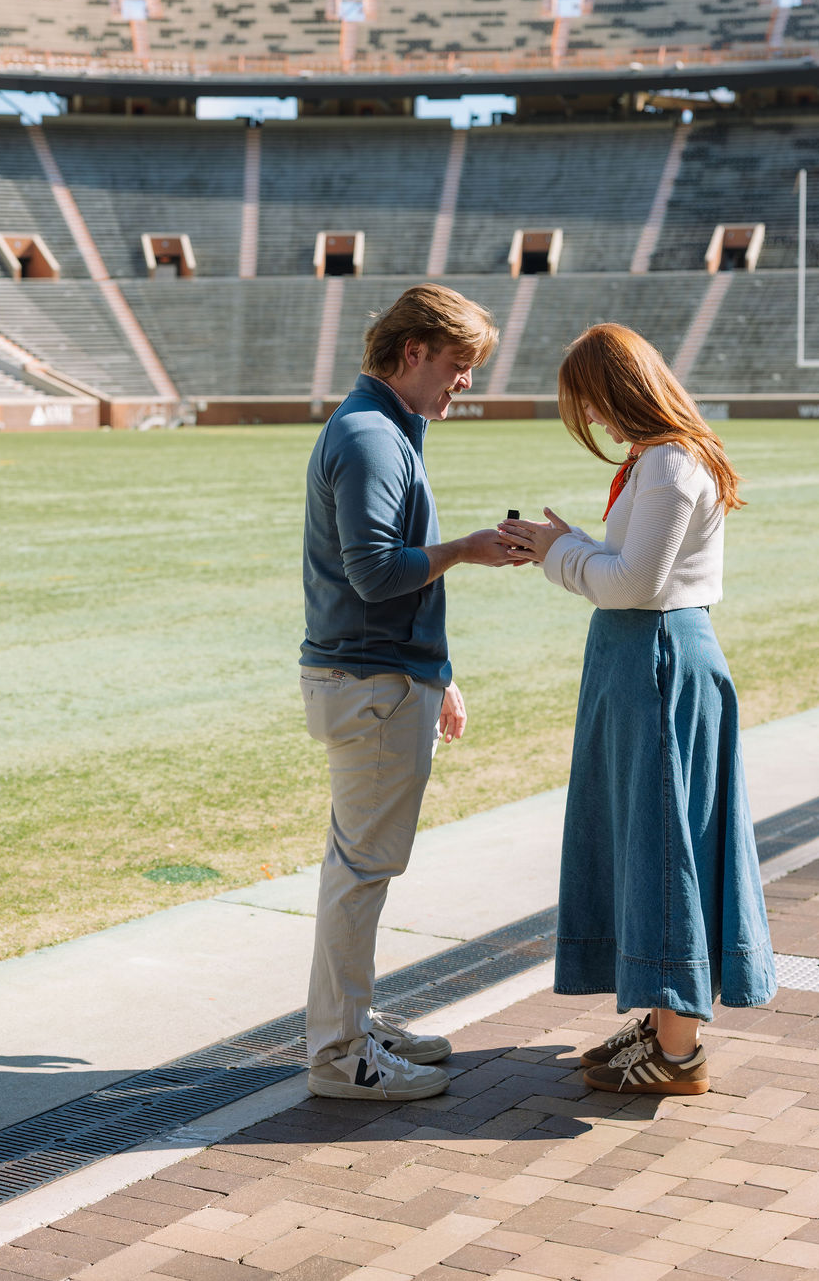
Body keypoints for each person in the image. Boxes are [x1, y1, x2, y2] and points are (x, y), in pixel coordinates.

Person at [500, 323, 776, 1097]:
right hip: (646, 656)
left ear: (622, 389)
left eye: (594, 407)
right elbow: (629, 567)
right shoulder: (660, 458)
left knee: (662, 839)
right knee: (649, 834)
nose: (596, 424)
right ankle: (663, 1020)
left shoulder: (669, 462)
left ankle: (679, 1047)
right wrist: (566, 542)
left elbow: (636, 584)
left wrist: (559, 553)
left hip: (656, 655)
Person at [300, 283, 520, 1102]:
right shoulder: (371, 436)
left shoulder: (385, 428)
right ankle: (338, 1052)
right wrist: (465, 547)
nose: (466, 381)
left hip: (382, 675)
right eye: (460, 364)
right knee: (361, 871)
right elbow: (375, 571)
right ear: (415, 351)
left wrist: (441, 671)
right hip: (371, 683)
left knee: (354, 867)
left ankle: (349, 1022)